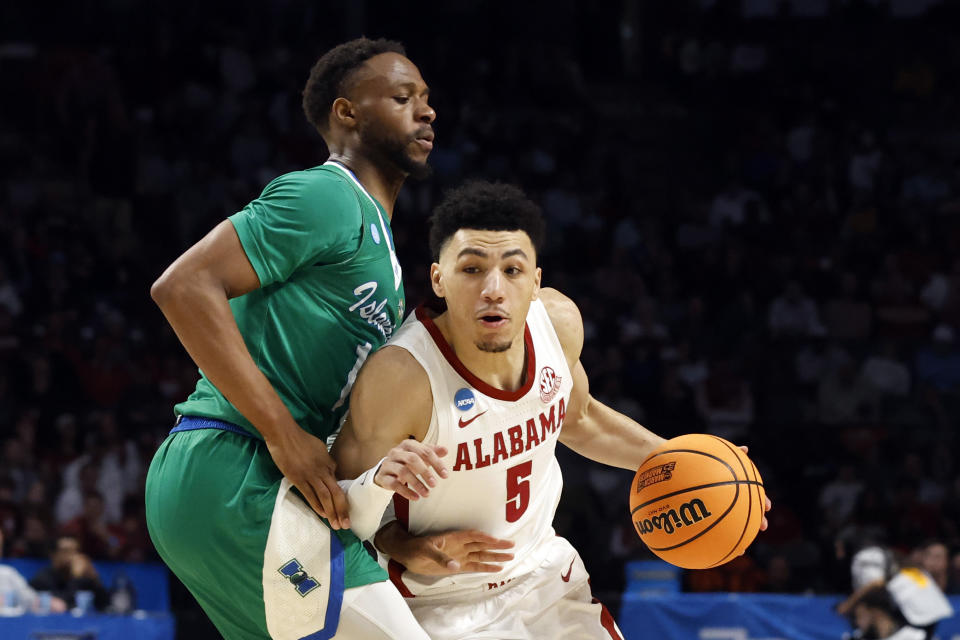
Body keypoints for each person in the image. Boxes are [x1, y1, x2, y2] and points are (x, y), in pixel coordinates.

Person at [331, 181, 770, 639]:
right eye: (472, 269)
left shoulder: (556, 324)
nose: (494, 289)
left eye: (513, 270)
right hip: (439, 601)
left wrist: (703, 471)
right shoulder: (403, 377)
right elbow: (337, 509)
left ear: (536, 281)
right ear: (440, 278)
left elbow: (578, 418)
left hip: (545, 579)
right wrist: (399, 543)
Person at [145, 37, 439, 640]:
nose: (427, 111)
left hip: (254, 484)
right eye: (404, 97)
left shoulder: (379, 244)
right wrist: (283, 434)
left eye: (427, 99)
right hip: (238, 468)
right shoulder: (327, 195)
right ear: (346, 113)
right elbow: (183, 286)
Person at [837, 544, 953, 640]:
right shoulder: (911, 570)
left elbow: (876, 583)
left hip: (920, 620)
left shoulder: (873, 556)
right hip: (940, 615)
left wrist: (849, 604)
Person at [28, 535, 105, 612]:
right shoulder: (43, 578)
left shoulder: (84, 576)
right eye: (66, 551)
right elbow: (65, 603)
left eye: (75, 551)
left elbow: (104, 604)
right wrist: (76, 577)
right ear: (53, 555)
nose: (71, 556)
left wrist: (93, 577)